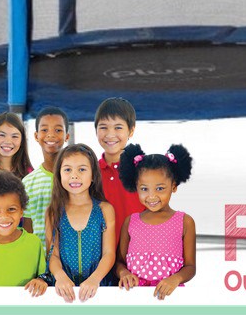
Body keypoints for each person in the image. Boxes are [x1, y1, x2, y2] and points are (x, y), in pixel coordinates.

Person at [115, 143, 196, 300]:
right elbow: (119, 262)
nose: (152, 196)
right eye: (144, 189)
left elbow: (190, 267)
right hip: (134, 297)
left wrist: (176, 279)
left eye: (160, 188)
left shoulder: (185, 222)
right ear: (136, 187)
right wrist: (123, 273)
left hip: (170, 297)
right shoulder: (130, 222)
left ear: (173, 186)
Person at [46, 144, 116, 302]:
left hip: (99, 289)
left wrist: (94, 279)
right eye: (67, 170)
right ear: (59, 175)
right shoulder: (53, 212)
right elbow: (53, 255)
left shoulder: (105, 210)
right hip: (64, 291)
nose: (74, 176)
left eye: (82, 169)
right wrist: (60, 277)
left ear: (93, 175)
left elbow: (109, 253)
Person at [94, 97, 142, 250]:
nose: (110, 134)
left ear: (131, 131)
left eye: (118, 127)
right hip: (99, 257)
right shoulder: (89, 172)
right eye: (103, 127)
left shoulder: (144, 169)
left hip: (136, 255)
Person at [22, 107, 69, 239]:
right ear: (36, 136)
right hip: (40, 251)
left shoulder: (76, 179)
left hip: (71, 251)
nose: (51, 135)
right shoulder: (28, 182)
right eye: (44, 130)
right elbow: (28, 228)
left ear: (67, 136)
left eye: (58, 130)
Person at [0, 112, 33, 180]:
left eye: (14, 136)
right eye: (2, 135)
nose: (8, 141)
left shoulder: (30, 174)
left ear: (22, 141)